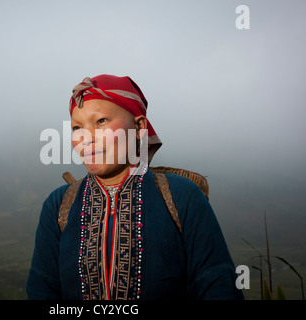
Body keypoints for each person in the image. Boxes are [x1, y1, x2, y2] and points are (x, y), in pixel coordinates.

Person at [26, 74, 244, 300]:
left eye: (101, 121)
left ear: (139, 126)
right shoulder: (59, 205)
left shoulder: (183, 197)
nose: (86, 139)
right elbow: (41, 291)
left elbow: (219, 286)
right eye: (77, 128)